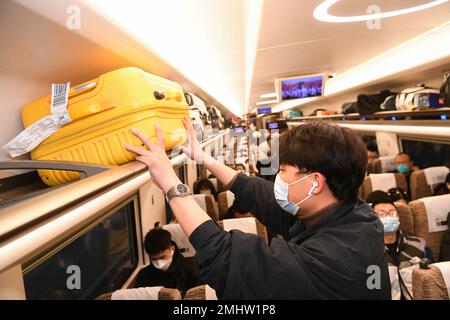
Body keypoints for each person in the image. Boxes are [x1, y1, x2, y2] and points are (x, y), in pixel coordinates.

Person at [124, 119, 390, 299]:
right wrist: (203, 157)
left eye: (283, 171)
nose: (278, 179)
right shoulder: (353, 215)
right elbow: (264, 198)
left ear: (315, 183)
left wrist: (170, 182)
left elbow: (227, 260)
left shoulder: (339, 258)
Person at [366, 190, 432, 299]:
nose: (388, 217)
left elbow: (431, 277)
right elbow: (372, 290)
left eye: (392, 213)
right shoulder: (367, 251)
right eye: (381, 214)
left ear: (398, 217)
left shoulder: (419, 244)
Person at [134, 223, 203, 295]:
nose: (158, 263)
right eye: (154, 259)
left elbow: (200, 295)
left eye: (162, 257)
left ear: (172, 249)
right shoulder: (143, 276)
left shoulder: (192, 269)